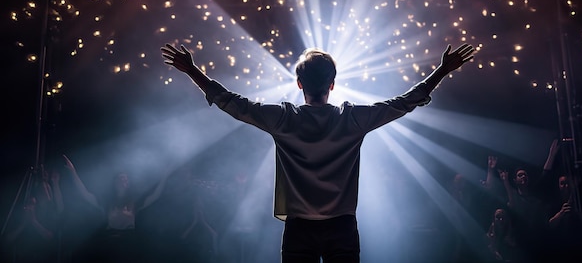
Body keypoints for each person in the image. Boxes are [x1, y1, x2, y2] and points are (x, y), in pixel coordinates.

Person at [161, 42, 475, 262]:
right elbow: (404, 102)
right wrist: (442, 71)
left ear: (299, 84)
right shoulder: (351, 119)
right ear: (333, 85)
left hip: (299, 228)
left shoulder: (284, 119)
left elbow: (232, 103)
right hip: (341, 226)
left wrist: (192, 70)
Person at [62, 154, 171, 262]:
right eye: (121, 179)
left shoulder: (134, 202)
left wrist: (165, 175)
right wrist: (73, 171)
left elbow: (155, 196)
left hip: (130, 242)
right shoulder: (107, 202)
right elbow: (85, 194)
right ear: (115, 183)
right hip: (111, 241)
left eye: (126, 179)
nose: (124, 181)